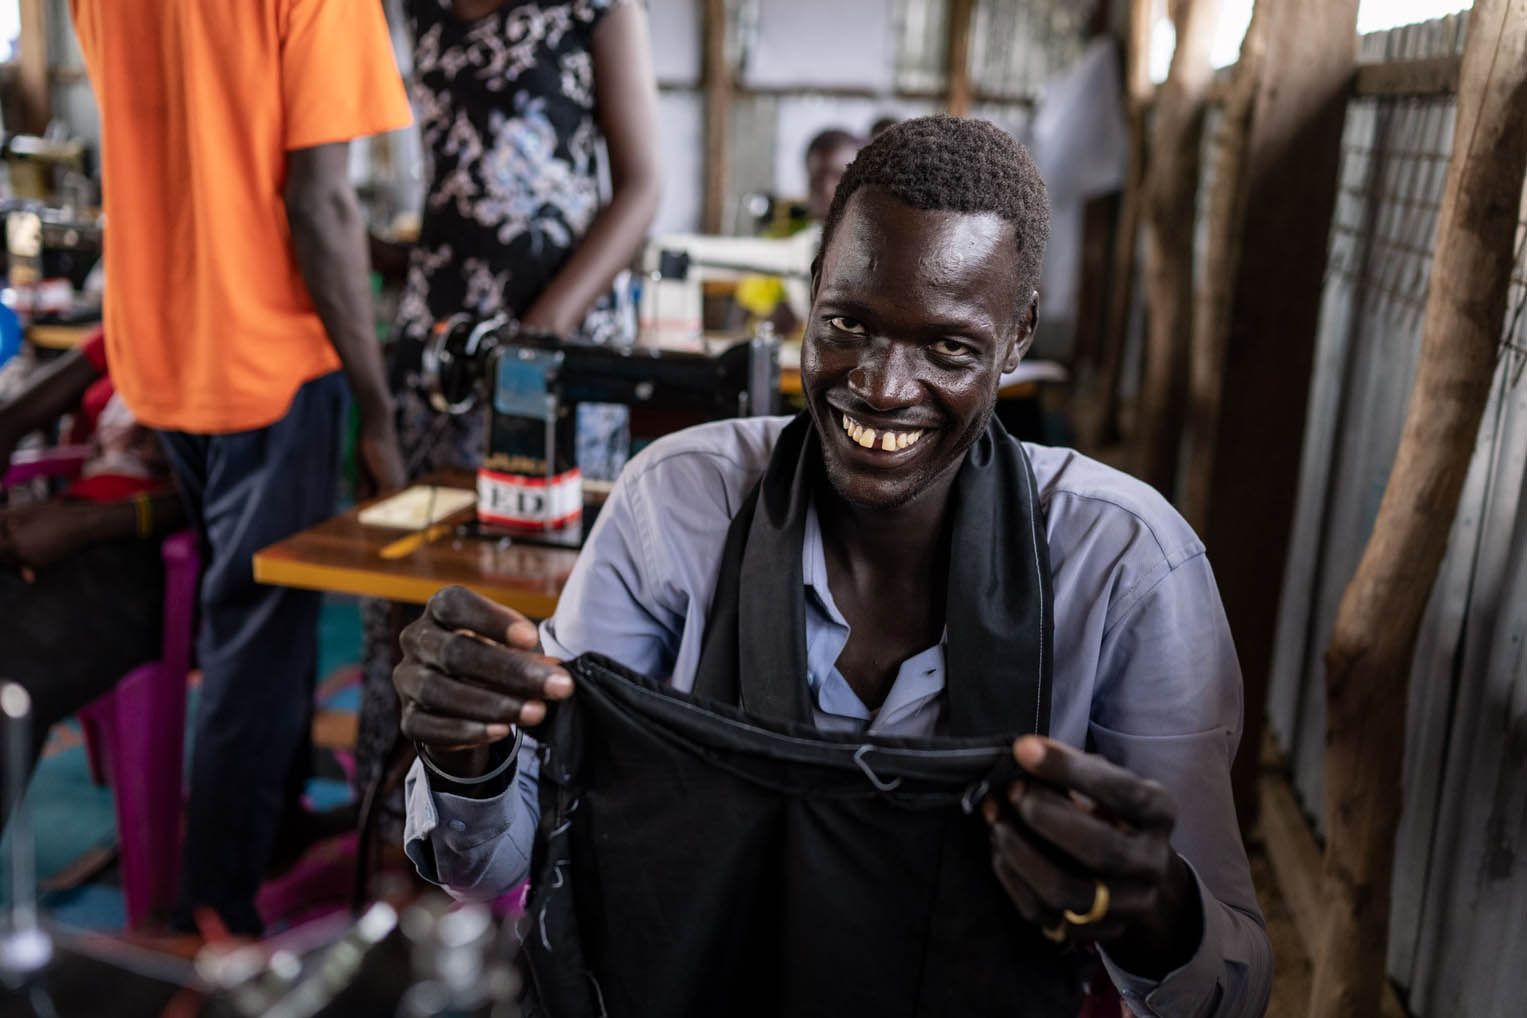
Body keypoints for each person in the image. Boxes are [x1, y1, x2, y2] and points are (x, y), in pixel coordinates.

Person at [393, 117, 1271, 1015]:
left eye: (948, 347)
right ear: (811, 294)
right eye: (848, 323)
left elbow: (1230, 991)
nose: (883, 387)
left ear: (1017, 339)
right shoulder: (676, 510)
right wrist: (469, 754)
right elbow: (501, 868)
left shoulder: (1126, 568)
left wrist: (1154, 911)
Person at [69, 0, 413, 934]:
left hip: (159, 345)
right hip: (266, 362)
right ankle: (213, 909)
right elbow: (320, 203)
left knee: (259, 629)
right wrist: (377, 409)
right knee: (254, 642)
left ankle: (270, 838)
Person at [356, 0, 661, 829]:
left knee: (546, 593)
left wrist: (532, 344)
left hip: (554, 360)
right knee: (411, 585)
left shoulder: (593, 8)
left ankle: (538, 828)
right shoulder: (415, 10)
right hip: (438, 346)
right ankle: (408, 824)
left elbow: (640, 189)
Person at [0, 332, 183, 790]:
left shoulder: (226, 346)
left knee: (13, 676)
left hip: (147, 552)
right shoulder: (128, 323)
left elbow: (209, 502)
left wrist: (84, 525)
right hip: (64, 525)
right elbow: (17, 416)